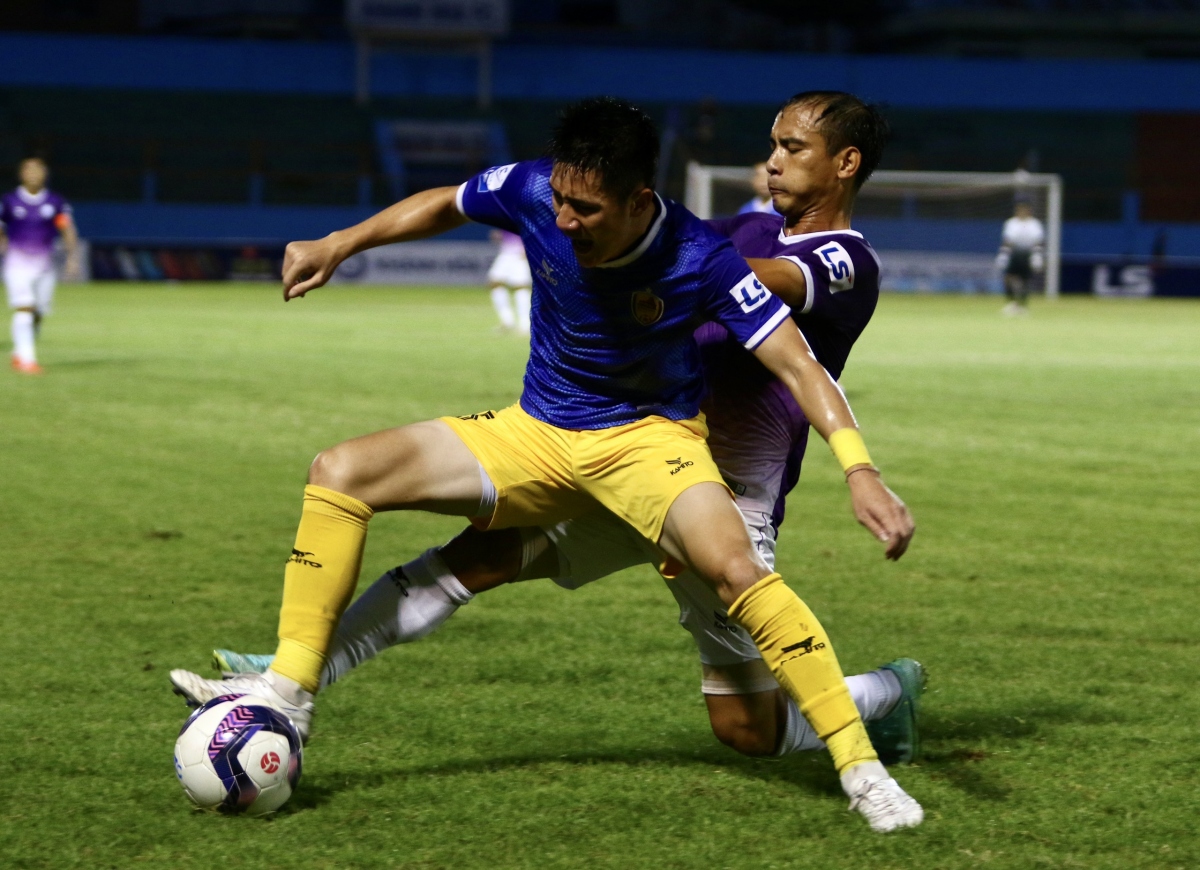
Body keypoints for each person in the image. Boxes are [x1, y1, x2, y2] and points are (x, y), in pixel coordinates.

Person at [170, 97, 920, 831]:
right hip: (565, 447)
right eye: (773, 144)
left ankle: (879, 708)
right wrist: (340, 241)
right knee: (438, 537)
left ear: (845, 163)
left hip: (696, 475)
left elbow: (775, 320)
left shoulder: (827, 259)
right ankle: (282, 687)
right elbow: (459, 201)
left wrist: (860, 468)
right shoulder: (579, 199)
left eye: (793, 148)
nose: (773, 160)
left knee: (747, 727)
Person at [1, 157, 80, 374]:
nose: (34, 175)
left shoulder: (55, 202)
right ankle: (27, 361)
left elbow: (66, 229)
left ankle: (19, 352)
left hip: (44, 266)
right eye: (30, 171)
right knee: (24, 307)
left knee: (38, 313)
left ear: (45, 174)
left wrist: (72, 257)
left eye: (38, 171)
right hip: (16, 264)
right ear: (22, 174)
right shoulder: (9, 201)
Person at [996, 197, 1045, 316]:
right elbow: (1008, 240)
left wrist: (1037, 256)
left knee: (1025, 280)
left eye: (1024, 209)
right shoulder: (1011, 223)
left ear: (1029, 210)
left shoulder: (1034, 224)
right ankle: (1012, 304)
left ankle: (1023, 306)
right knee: (1008, 278)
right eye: (1019, 209)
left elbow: (1038, 241)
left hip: (1028, 254)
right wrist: (1004, 254)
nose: (1022, 211)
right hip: (1015, 254)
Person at [487, 229, 532, 334]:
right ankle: (507, 321)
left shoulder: (527, 214)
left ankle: (525, 324)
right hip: (506, 252)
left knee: (521, 286)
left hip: (520, 253)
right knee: (495, 283)